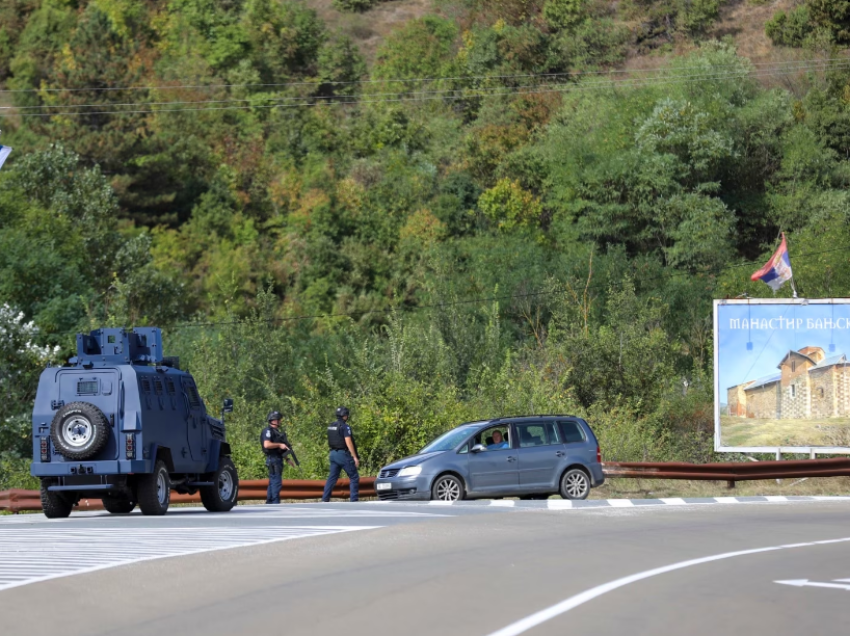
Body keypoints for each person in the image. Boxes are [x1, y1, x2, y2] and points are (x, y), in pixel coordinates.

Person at [321, 406, 360, 502]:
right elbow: (348, 441)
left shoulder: (331, 425)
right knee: (354, 476)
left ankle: (325, 499)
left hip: (333, 454)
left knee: (332, 477)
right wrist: (355, 456)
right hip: (343, 454)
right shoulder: (345, 427)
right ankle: (354, 500)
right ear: (345, 416)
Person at [261, 411, 295, 504]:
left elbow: (279, 449)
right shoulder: (268, 431)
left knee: (273, 482)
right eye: (278, 420)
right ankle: (275, 502)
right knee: (276, 482)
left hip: (277, 458)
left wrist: (287, 459)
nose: (280, 422)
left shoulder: (276, 432)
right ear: (274, 420)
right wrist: (280, 445)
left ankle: (269, 502)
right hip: (273, 459)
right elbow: (266, 445)